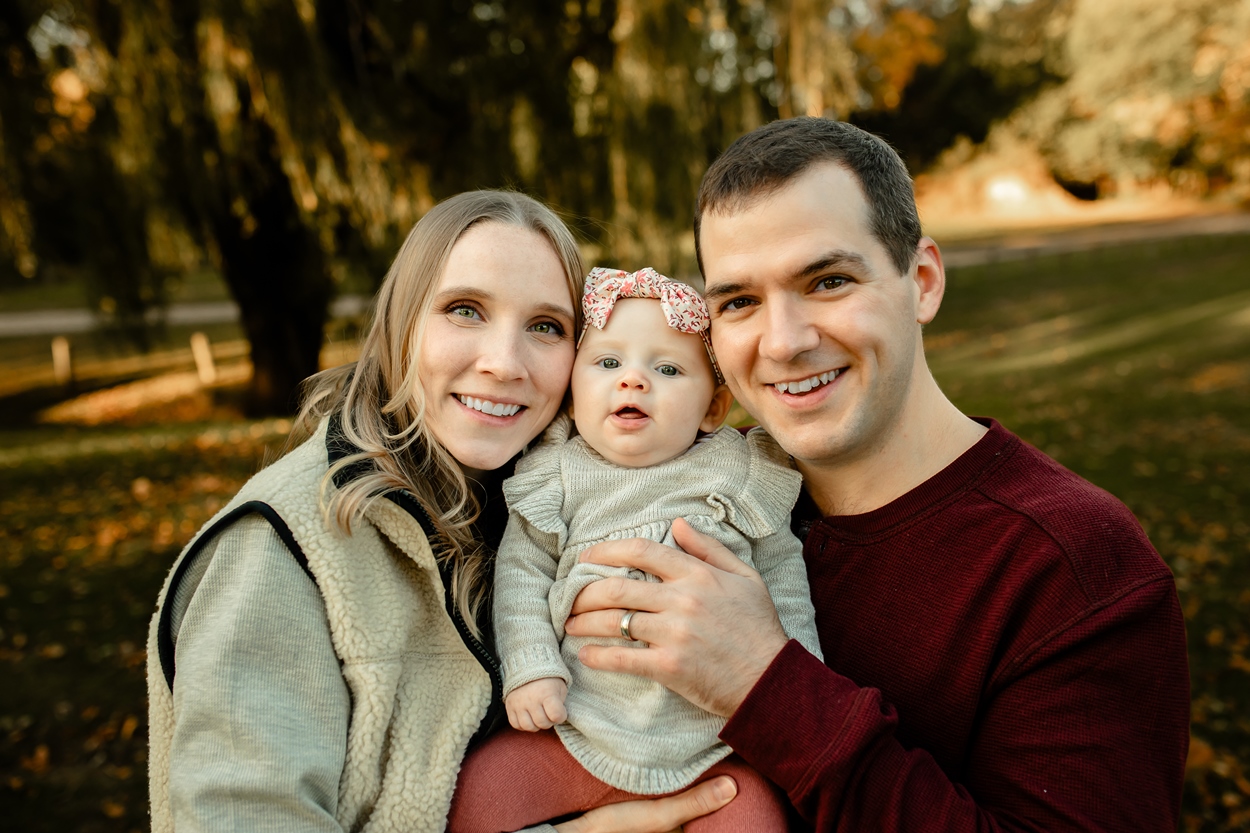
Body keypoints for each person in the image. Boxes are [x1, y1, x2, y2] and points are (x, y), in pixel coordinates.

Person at [562, 118, 1191, 831]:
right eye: (738, 301)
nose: (784, 340)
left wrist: (763, 686)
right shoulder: (685, 480)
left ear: (921, 281)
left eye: (828, 281)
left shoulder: (1076, 567)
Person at [144, 191, 737, 833]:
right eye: (464, 310)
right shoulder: (277, 552)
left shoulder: (536, 498)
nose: (503, 363)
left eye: (546, 327)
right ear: (401, 324)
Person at [448, 267, 821, 833]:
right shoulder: (558, 474)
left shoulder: (738, 472)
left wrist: (800, 677)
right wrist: (531, 669)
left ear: (714, 409)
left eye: (667, 369)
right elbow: (522, 574)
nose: (633, 381)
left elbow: (782, 575)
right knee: (474, 799)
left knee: (757, 819)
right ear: (573, 395)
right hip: (578, 726)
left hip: (714, 745)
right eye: (607, 363)